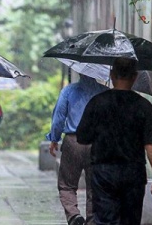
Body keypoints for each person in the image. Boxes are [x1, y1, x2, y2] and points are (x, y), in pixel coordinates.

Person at [76, 58, 152, 225]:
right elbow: (151, 144)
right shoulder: (143, 105)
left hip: (103, 172)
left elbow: (82, 137)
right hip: (134, 172)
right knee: (130, 220)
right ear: (135, 77)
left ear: (111, 75)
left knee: (105, 220)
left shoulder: (97, 103)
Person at [46, 74, 109, 225]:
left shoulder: (68, 91)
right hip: (97, 142)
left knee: (66, 185)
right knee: (95, 186)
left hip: (74, 141)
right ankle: (92, 221)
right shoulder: (105, 92)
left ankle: (74, 215)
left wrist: (54, 139)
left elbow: (58, 118)